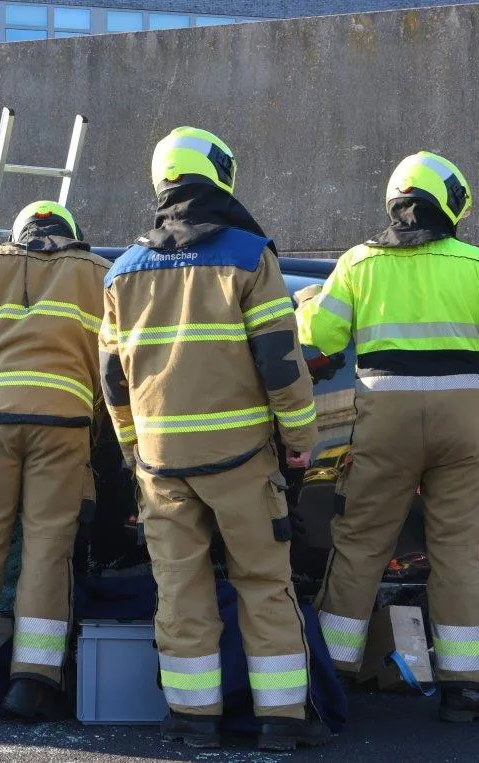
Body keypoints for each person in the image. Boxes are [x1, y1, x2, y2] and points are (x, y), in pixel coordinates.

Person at [100, 127, 332, 752]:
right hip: (241, 461)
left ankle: (192, 720)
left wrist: (132, 452)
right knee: (262, 583)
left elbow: (114, 383)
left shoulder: (121, 272)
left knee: (179, 590)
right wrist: (299, 438)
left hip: (160, 465)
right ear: (219, 176)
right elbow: (281, 364)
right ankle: (282, 722)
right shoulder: (249, 256)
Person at [297, 151, 479, 723]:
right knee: (457, 552)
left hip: (384, 420)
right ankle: (465, 690)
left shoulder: (359, 264)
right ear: (450, 205)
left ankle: (329, 681)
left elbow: (320, 336)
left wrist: (312, 302)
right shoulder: (477, 264)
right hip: (465, 426)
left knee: (360, 545)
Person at [0, 200, 112, 721]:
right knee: (49, 549)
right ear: (74, 234)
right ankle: (31, 684)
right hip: (66, 427)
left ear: (22, 232)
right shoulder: (99, 273)